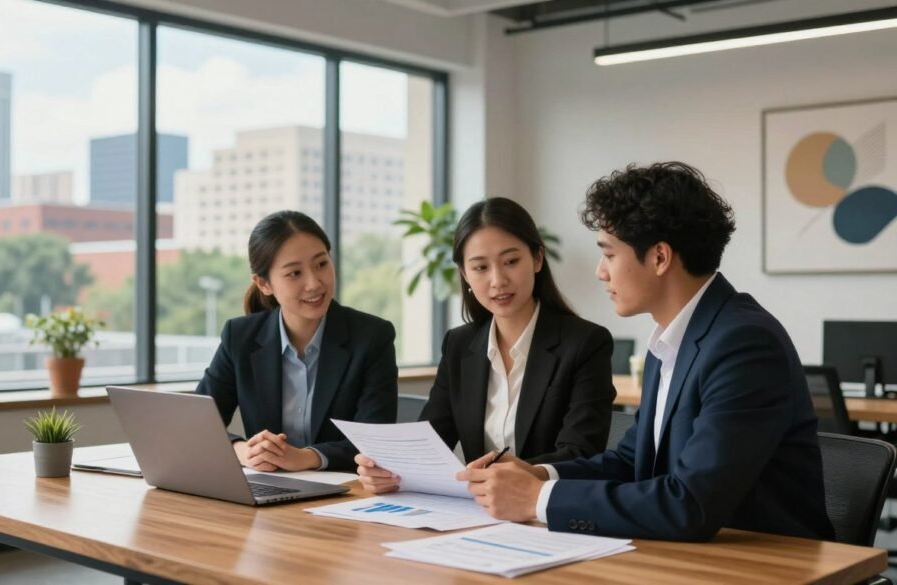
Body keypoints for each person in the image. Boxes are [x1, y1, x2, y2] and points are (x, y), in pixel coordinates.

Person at [457, 162, 835, 542]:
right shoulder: (672, 339)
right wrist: (538, 475)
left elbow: (689, 503)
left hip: (770, 566)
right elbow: (630, 462)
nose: (600, 272)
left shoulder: (744, 344)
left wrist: (538, 499)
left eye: (609, 254)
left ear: (659, 257)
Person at [356, 197, 616, 494]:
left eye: (511, 262)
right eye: (480, 267)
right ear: (465, 275)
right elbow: (429, 442)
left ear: (537, 259)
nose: (498, 280)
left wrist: (518, 475)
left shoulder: (585, 344)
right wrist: (389, 470)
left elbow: (580, 453)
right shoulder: (459, 345)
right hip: (479, 514)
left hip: (548, 509)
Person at [196, 211, 398, 472]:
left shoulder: (372, 337)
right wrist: (242, 450)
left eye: (321, 264)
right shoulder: (239, 337)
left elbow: (376, 441)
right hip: (269, 490)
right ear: (264, 284)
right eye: (294, 273)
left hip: (344, 495)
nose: (314, 283)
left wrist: (307, 457)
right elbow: (199, 424)